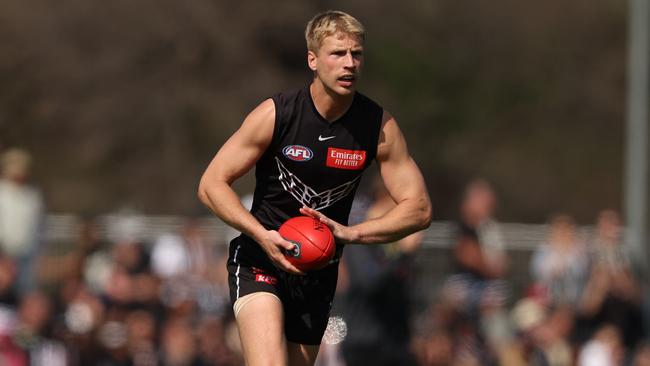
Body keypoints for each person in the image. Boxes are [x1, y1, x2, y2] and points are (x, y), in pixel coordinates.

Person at [197, 10, 432, 366]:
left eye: (356, 54)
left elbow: (419, 208)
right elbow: (211, 184)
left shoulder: (377, 127)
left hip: (317, 273)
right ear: (313, 59)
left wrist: (353, 234)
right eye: (338, 53)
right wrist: (261, 235)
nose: (349, 63)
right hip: (260, 259)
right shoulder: (278, 114)